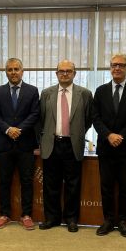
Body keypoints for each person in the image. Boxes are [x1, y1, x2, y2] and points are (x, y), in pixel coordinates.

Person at [93, 54, 126, 238]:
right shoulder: (100, 91)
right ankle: (108, 221)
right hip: (106, 147)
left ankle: (123, 221)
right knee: (106, 186)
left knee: (125, 187)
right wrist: (108, 135)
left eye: (121, 65)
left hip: (125, 147)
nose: (117, 68)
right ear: (110, 67)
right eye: (114, 65)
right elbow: (95, 118)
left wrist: (120, 136)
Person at [38, 60, 93, 232]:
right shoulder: (46, 93)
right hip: (52, 144)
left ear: (74, 73)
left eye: (69, 71)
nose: (65, 74)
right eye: (61, 71)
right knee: (50, 184)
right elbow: (41, 118)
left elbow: (88, 119)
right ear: (56, 74)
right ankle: (52, 218)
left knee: (73, 184)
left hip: (72, 144)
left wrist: (77, 133)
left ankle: (71, 219)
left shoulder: (84, 94)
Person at [0, 58, 40, 230]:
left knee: (26, 181)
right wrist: (7, 129)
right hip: (4, 143)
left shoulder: (33, 91)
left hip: (25, 143)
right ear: (6, 72)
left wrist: (18, 129)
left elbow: (35, 114)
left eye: (16, 69)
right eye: (10, 69)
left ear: (22, 71)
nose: (13, 72)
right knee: (4, 181)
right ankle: (4, 214)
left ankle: (26, 215)